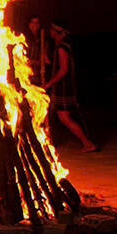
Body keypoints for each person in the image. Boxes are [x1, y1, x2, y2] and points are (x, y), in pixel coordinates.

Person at [43, 20, 97, 153]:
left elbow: (64, 69)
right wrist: (44, 53)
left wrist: (49, 83)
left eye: (52, 30)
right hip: (61, 87)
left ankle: (88, 143)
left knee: (64, 117)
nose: (50, 32)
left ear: (57, 32)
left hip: (63, 88)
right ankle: (87, 142)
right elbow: (51, 62)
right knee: (63, 117)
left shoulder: (62, 47)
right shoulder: (60, 46)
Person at [24, 14, 50, 86]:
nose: (35, 25)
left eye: (37, 23)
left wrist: (42, 60)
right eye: (32, 22)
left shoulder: (42, 39)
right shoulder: (23, 38)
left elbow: (44, 58)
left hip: (38, 74)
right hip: (25, 73)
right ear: (29, 24)